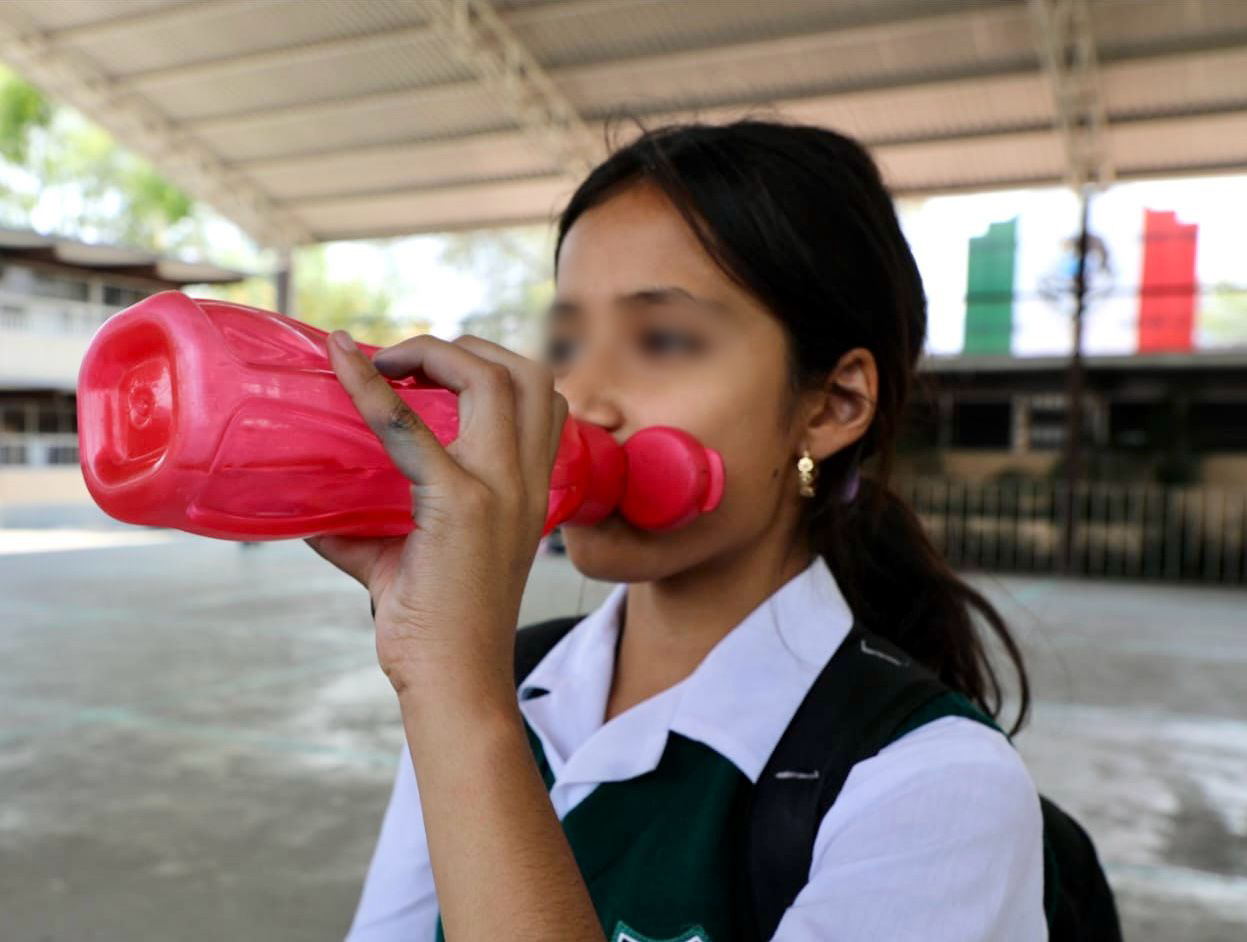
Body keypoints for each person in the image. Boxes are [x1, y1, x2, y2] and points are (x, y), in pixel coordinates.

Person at [308, 120, 1046, 941]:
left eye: (660, 338)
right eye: (566, 339)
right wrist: (454, 684)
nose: (579, 401)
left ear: (833, 404)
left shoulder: (933, 785)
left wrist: (455, 695)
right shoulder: (502, 678)